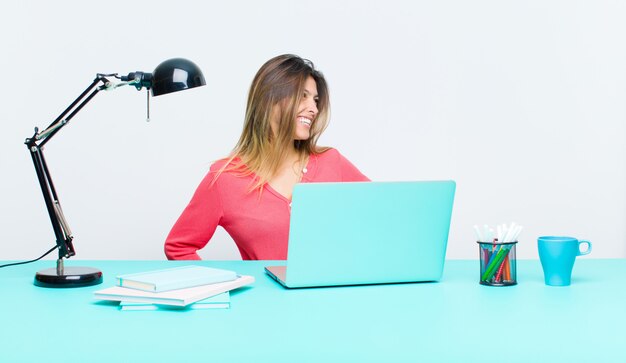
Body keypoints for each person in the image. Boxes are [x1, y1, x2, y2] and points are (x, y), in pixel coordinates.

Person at [164, 54, 369, 260]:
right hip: (266, 293)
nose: (314, 109)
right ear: (271, 101)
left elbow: (384, 216)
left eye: (315, 100)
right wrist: (221, 286)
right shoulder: (225, 178)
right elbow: (178, 246)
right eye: (303, 96)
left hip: (333, 292)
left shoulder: (332, 162)